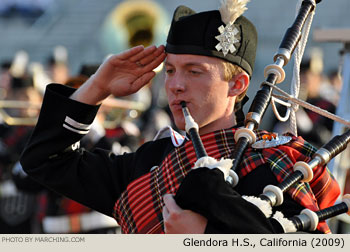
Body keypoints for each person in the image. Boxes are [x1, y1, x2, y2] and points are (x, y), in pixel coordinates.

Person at [20, 2, 340, 234]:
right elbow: (45, 161)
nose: (175, 85)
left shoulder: (273, 166)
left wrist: (204, 238)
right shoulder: (150, 162)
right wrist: (97, 87)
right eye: (170, 70)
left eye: (194, 71)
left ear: (238, 84)